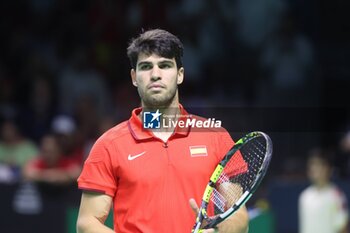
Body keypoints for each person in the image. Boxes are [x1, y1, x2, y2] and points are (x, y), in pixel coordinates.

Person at [76, 29, 249, 233]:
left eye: (165, 65)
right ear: (134, 77)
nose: (155, 74)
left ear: (180, 75)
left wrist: (217, 231)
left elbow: (239, 216)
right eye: (146, 67)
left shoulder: (215, 137)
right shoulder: (109, 145)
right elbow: (87, 223)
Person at [298, 148, 349, 233]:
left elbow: (343, 229)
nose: (314, 168)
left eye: (319, 164)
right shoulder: (304, 196)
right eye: (311, 164)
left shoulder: (337, 196)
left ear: (329, 169)